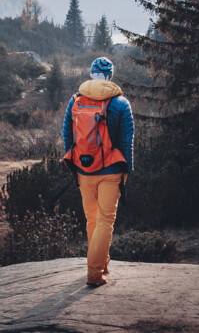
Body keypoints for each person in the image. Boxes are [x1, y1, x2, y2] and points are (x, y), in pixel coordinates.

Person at [62, 56, 134, 287]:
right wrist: (126, 171)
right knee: (105, 221)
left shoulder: (75, 101)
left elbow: (68, 136)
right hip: (111, 170)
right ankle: (94, 274)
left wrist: (75, 165)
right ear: (110, 76)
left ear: (91, 74)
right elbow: (126, 141)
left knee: (92, 219)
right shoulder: (121, 103)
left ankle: (102, 263)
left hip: (84, 170)